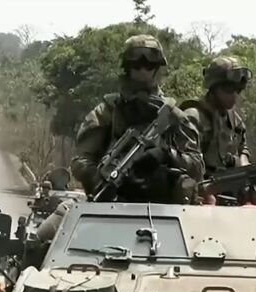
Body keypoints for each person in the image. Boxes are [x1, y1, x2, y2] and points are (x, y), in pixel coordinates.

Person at [70, 34, 205, 205]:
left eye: (149, 65)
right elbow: (80, 160)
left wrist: (166, 155)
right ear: (128, 67)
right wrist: (97, 179)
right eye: (137, 64)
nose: (143, 70)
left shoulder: (173, 116)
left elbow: (197, 167)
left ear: (156, 68)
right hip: (114, 205)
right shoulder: (107, 111)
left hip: (166, 209)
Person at [181, 56, 252, 177]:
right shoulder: (193, 118)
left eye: (238, 89)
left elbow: (242, 143)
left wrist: (244, 162)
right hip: (203, 183)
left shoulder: (232, 116)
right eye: (229, 89)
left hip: (230, 181)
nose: (235, 95)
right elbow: (186, 166)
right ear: (213, 88)